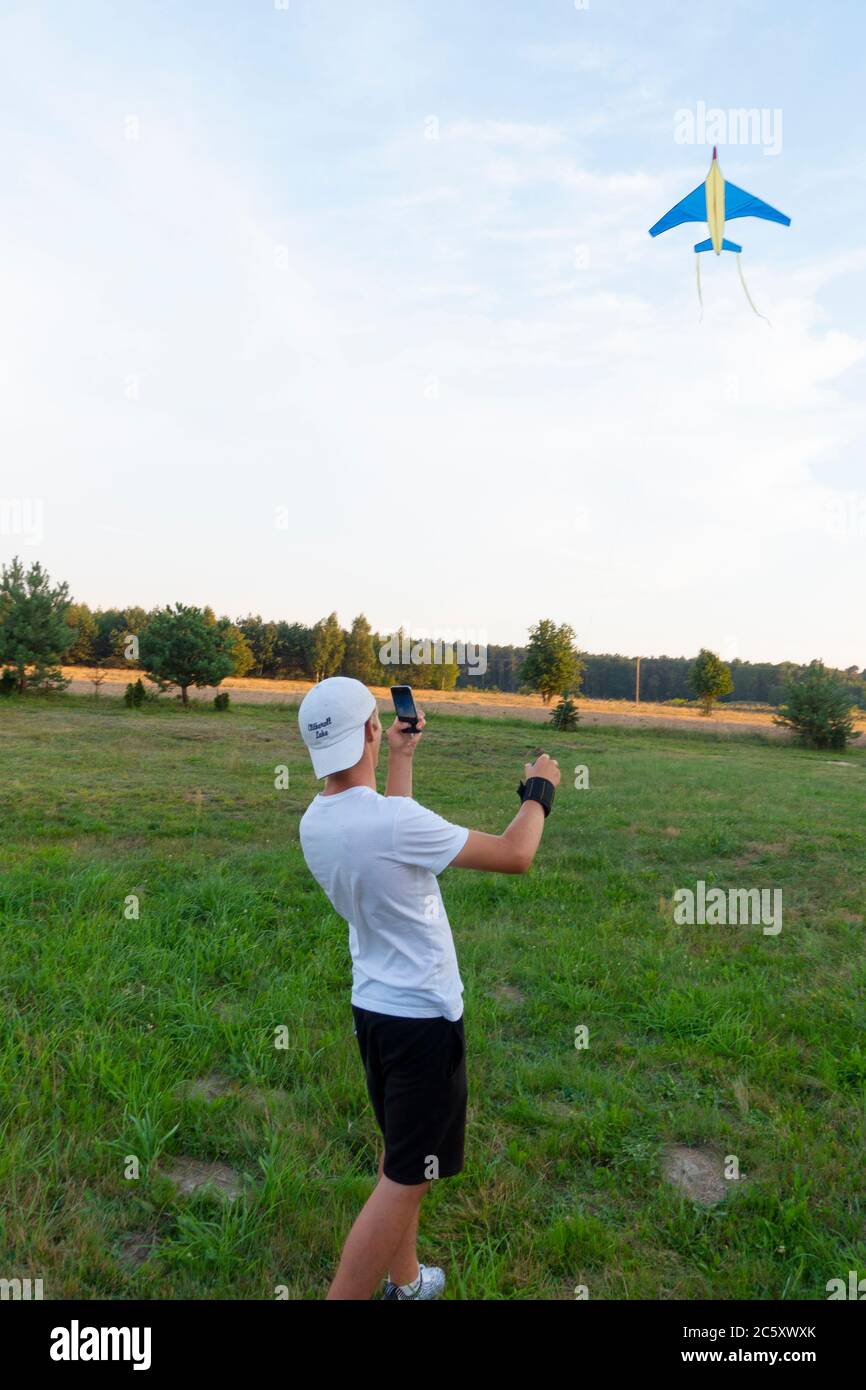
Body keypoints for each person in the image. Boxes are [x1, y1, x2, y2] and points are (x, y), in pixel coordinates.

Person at [298, 676, 560, 1300]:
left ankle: (406, 1281)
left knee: (403, 1156)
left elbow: (395, 833)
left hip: (375, 1012)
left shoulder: (317, 822)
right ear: (367, 731)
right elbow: (515, 853)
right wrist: (540, 790)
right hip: (424, 1022)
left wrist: (402, 757)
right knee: (406, 1178)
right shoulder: (393, 824)